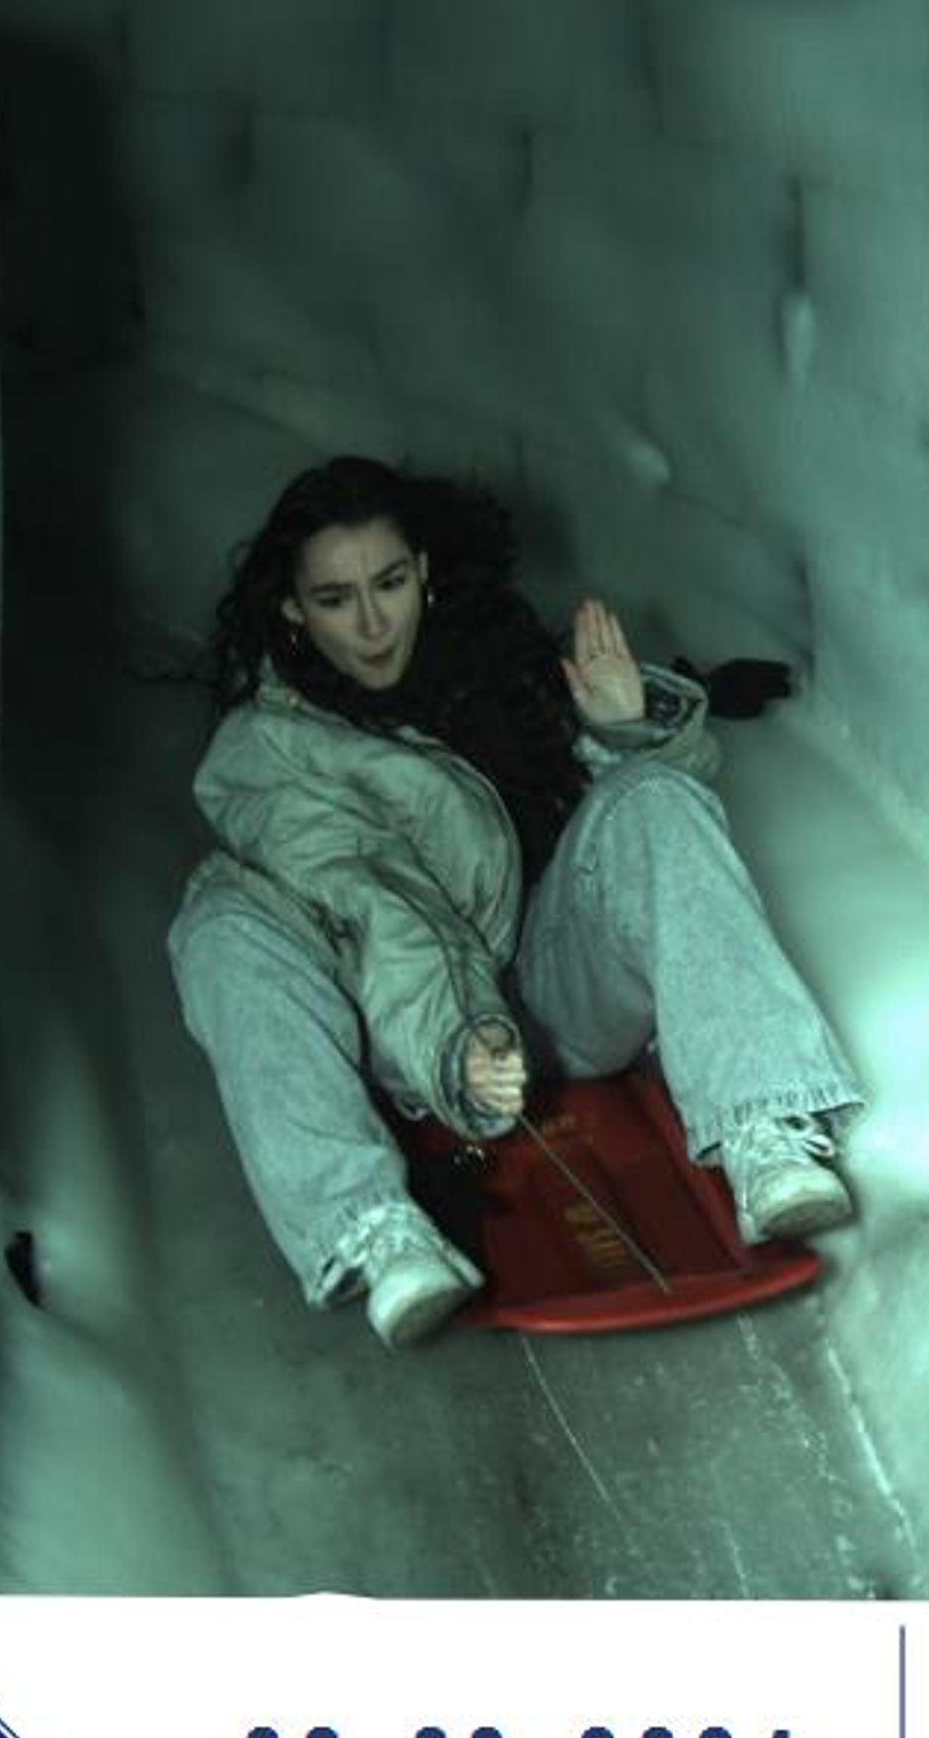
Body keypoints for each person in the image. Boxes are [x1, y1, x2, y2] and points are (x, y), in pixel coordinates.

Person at [168, 456, 867, 1349]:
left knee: (654, 798)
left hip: (543, 993)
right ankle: (366, 1225)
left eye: (390, 583)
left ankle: (762, 1125)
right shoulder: (268, 750)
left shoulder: (494, 658)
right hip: (400, 1027)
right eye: (336, 599)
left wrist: (621, 731)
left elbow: (631, 838)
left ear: (423, 570)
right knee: (220, 927)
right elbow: (377, 903)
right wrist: (461, 1039)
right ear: (293, 610)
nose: (374, 623)